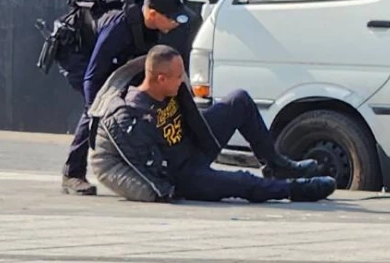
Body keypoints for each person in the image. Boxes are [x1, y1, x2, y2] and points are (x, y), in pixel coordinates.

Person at [90, 46, 334, 204]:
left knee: (239, 100)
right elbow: (149, 169)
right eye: (178, 77)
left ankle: (277, 166)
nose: (182, 82)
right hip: (185, 175)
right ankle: (292, 190)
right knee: (242, 181)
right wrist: (164, 193)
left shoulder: (169, 89)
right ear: (160, 79)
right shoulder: (133, 115)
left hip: (194, 144)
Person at [59, 0, 188, 195]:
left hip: (111, 56)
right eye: (172, 18)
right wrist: (97, 111)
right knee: (98, 106)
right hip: (77, 53)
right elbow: (92, 76)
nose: (176, 23)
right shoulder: (118, 26)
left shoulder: (153, 24)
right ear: (153, 14)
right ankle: (72, 173)